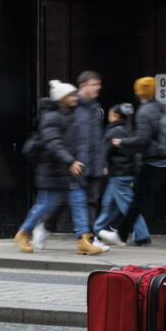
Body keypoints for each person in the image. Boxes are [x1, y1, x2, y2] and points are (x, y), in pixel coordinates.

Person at [13, 81, 108, 255]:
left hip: (68, 170)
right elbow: (53, 143)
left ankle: (83, 240)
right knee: (45, 205)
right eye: (71, 95)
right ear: (62, 99)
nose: (75, 97)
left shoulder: (69, 115)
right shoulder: (51, 117)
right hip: (52, 171)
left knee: (79, 203)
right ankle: (24, 233)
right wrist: (70, 161)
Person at [97, 76, 166, 250]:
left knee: (138, 200)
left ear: (139, 92)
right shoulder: (163, 107)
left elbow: (143, 140)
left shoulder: (144, 111)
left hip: (155, 162)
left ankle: (121, 235)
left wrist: (122, 142)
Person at [94, 101, 151, 245]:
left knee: (126, 206)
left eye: (109, 114)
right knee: (109, 205)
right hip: (125, 173)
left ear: (115, 115)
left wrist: (102, 165)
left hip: (119, 174)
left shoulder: (113, 131)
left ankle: (142, 234)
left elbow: (103, 151)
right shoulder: (129, 129)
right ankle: (97, 230)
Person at [74, 70, 108, 231]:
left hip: (94, 164)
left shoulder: (95, 109)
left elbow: (98, 139)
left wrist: (102, 163)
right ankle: (44, 227)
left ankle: (90, 236)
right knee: (67, 200)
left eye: (99, 85)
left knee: (92, 200)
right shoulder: (73, 106)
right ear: (82, 86)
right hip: (77, 163)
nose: (98, 88)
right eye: (94, 84)